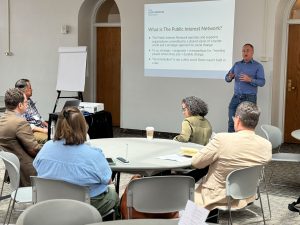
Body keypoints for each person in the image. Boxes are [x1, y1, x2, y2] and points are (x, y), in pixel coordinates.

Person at [33, 106, 119, 218]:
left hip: (50, 204)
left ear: (58, 126)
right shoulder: (94, 154)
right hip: (84, 208)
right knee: (113, 195)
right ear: (83, 126)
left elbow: (37, 167)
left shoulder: (46, 147)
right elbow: (108, 180)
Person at [191, 101, 271, 221]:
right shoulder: (266, 145)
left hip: (216, 195)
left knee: (190, 199)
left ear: (237, 119)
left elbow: (196, 163)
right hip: (246, 194)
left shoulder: (222, 139)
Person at [0, 88, 41, 186]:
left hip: (15, 169)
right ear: (20, 105)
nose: (27, 105)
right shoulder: (20, 123)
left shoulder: (2, 119)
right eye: (26, 102)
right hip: (28, 171)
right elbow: (34, 150)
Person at [225, 43, 265, 132]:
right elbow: (227, 78)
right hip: (236, 97)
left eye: (247, 50)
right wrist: (230, 77)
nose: (245, 52)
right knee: (232, 122)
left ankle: (244, 145)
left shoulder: (258, 66)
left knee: (247, 125)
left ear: (252, 52)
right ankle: (231, 144)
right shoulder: (237, 64)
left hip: (249, 99)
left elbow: (262, 82)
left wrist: (250, 80)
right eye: (243, 51)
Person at [15, 78, 48, 144]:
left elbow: (37, 115)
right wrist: (43, 130)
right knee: (49, 138)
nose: (32, 89)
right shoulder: (19, 104)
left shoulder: (29, 100)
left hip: (40, 127)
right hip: (31, 131)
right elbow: (25, 125)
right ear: (24, 90)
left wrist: (46, 124)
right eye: (30, 88)